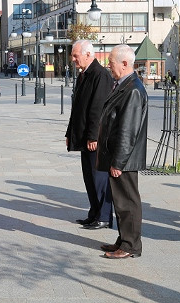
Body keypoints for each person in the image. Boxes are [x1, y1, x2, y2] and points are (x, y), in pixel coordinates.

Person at [97, 44, 148, 259]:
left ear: (125, 64)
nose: (109, 67)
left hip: (124, 159)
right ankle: (123, 239)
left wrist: (118, 162)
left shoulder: (133, 89)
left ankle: (130, 245)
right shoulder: (125, 85)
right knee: (121, 201)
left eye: (111, 64)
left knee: (127, 202)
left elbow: (128, 130)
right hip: (119, 156)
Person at [65, 40, 114, 229]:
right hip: (84, 136)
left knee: (99, 178)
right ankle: (94, 214)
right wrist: (70, 132)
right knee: (89, 178)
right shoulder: (84, 74)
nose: (73, 59)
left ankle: (103, 216)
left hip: (94, 138)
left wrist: (94, 136)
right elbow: (77, 108)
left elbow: (98, 109)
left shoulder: (100, 75)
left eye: (76, 55)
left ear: (88, 54)